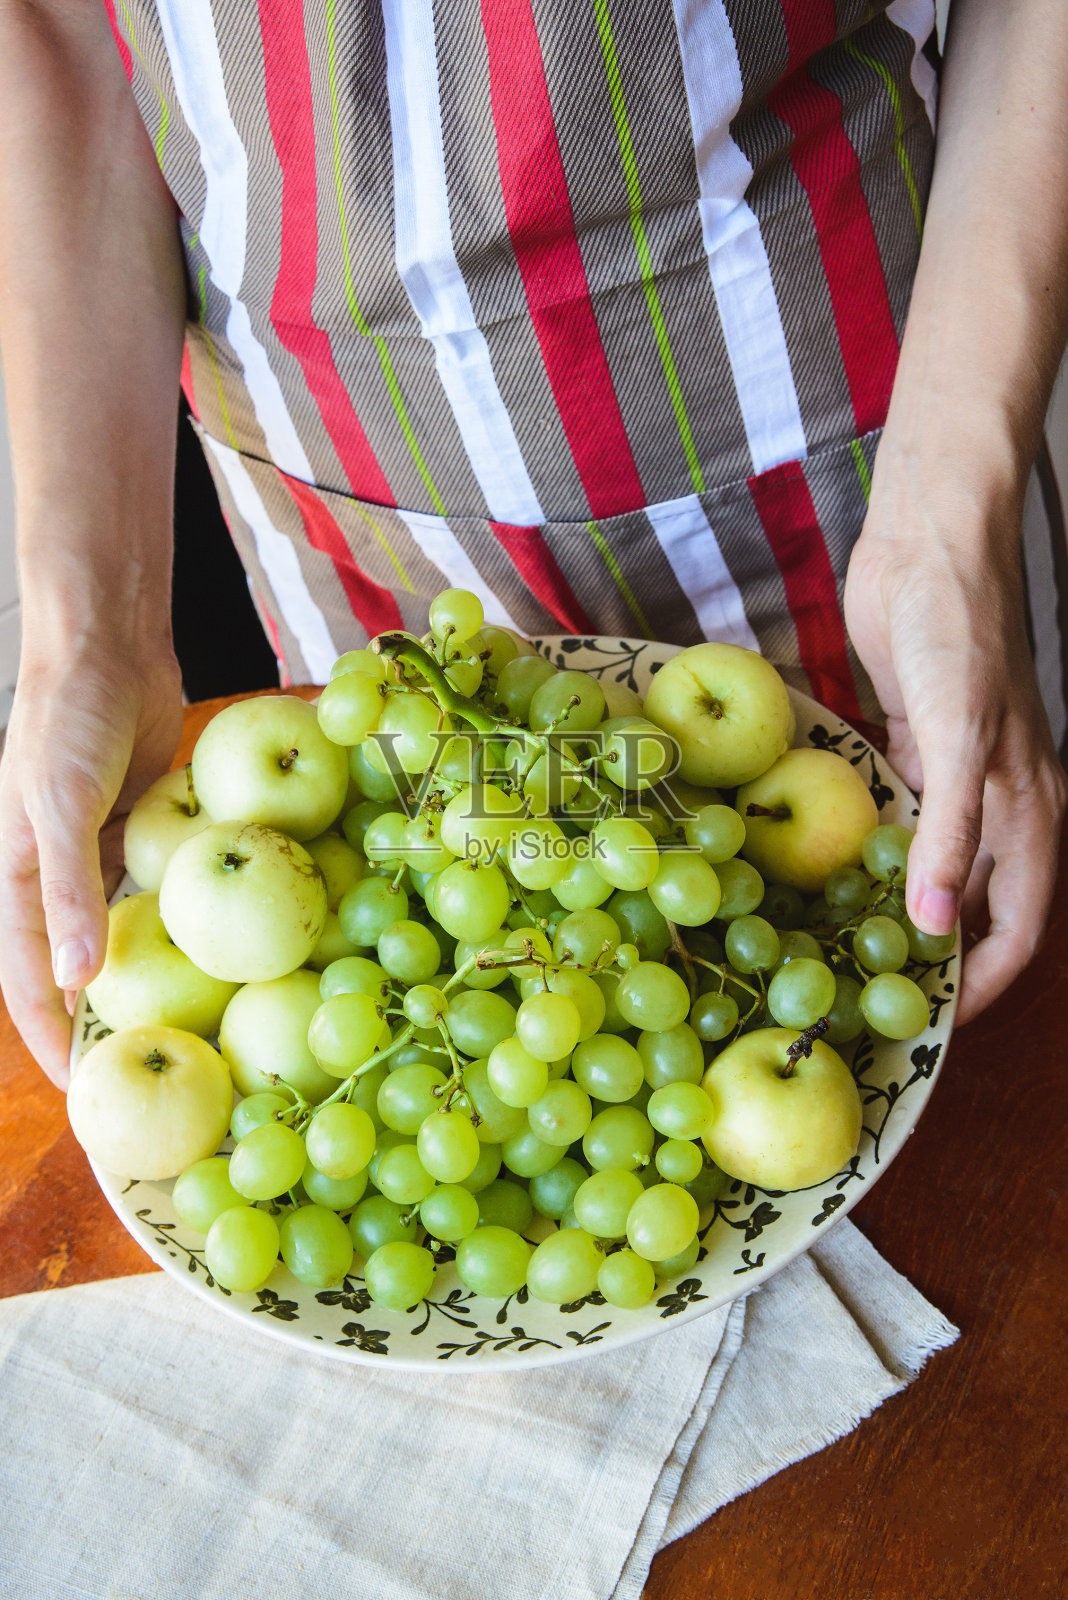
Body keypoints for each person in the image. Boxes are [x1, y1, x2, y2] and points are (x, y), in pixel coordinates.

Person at [0, 0, 1065, 1092]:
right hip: (343, 501)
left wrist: (948, 523)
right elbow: (58, 31)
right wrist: (90, 625)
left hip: (851, 451)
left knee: (952, 1053)